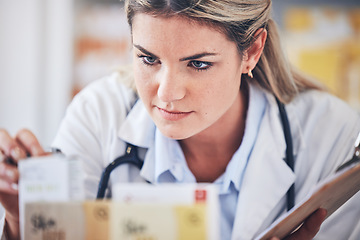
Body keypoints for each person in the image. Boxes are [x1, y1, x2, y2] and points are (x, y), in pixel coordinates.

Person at [0, 0, 359, 239]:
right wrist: (23, 216)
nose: (166, 93)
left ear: (251, 50)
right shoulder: (98, 116)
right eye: (148, 59)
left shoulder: (330, 134)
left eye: (198, 64)